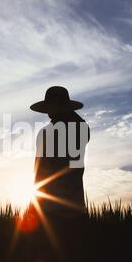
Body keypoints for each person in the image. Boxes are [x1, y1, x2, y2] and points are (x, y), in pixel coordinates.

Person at [29, 86, 90, 220]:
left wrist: (33, 206)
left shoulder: (46, 134)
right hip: (76, 208)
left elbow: (40, 174)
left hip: (50, 211)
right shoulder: (80, 132)